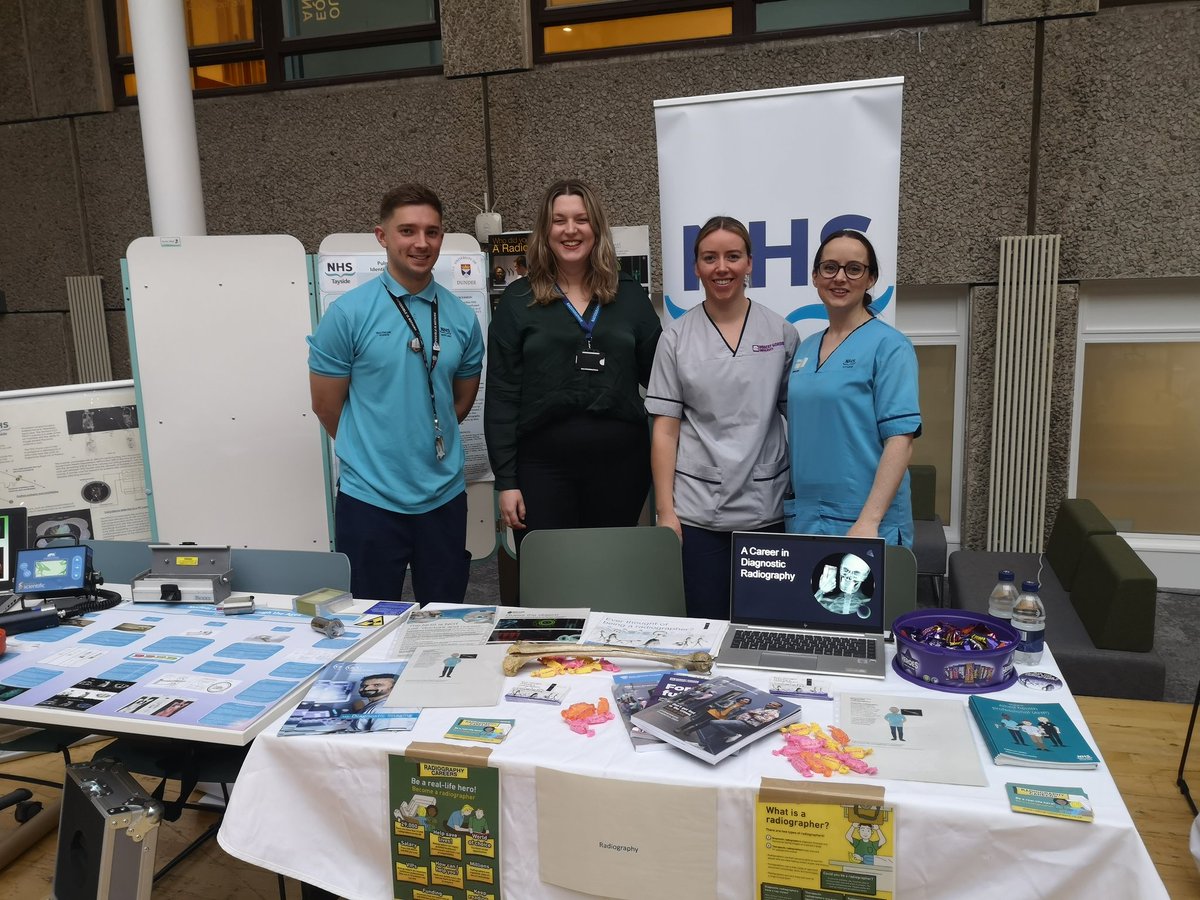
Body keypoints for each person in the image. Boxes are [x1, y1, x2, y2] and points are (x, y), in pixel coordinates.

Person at [308, 184, 484, 603]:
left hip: (443, 498)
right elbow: (326, 406)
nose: (421, 243)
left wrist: (423, 431)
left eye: (432, 231)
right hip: (370, 498)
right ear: (382, 236)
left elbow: (460, 402)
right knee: (369, 621)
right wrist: (375, 447)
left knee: (442, 620)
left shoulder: (462, 317)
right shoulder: (348, 314)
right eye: (407, 231)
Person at [485, 179, 661, 550]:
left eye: (581, 219)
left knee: (608, 573)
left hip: (621, 468)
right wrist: (506, 480)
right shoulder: (518, 301)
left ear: (596, 227)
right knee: (550, 578)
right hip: (541, 470)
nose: (570, 230)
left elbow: (661, 381)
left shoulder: (629, 297)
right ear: (544, 231)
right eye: (558, 220)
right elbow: (502, 396)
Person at [646, 216, 798, 619]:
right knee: (705, 625)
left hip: (766, 507)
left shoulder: (781, 333)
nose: (721, 267)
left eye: (733, 256)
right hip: (698, 513)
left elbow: (795, 419)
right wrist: (666, 511)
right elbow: (665, 429)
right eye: (709, 258)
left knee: (765, 625)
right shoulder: (675, 338)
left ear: (750, 263)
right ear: (696, 267)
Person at [785, 230, 921, 545]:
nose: (840, 277)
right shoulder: (805, 349)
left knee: (853, 597)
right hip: (806, 519)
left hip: (865, 522)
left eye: (854, 268)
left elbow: (901, 441)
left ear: (870, 278)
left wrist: (868, 521)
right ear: (815, 277)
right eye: (830, 267)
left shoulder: (890, 346)